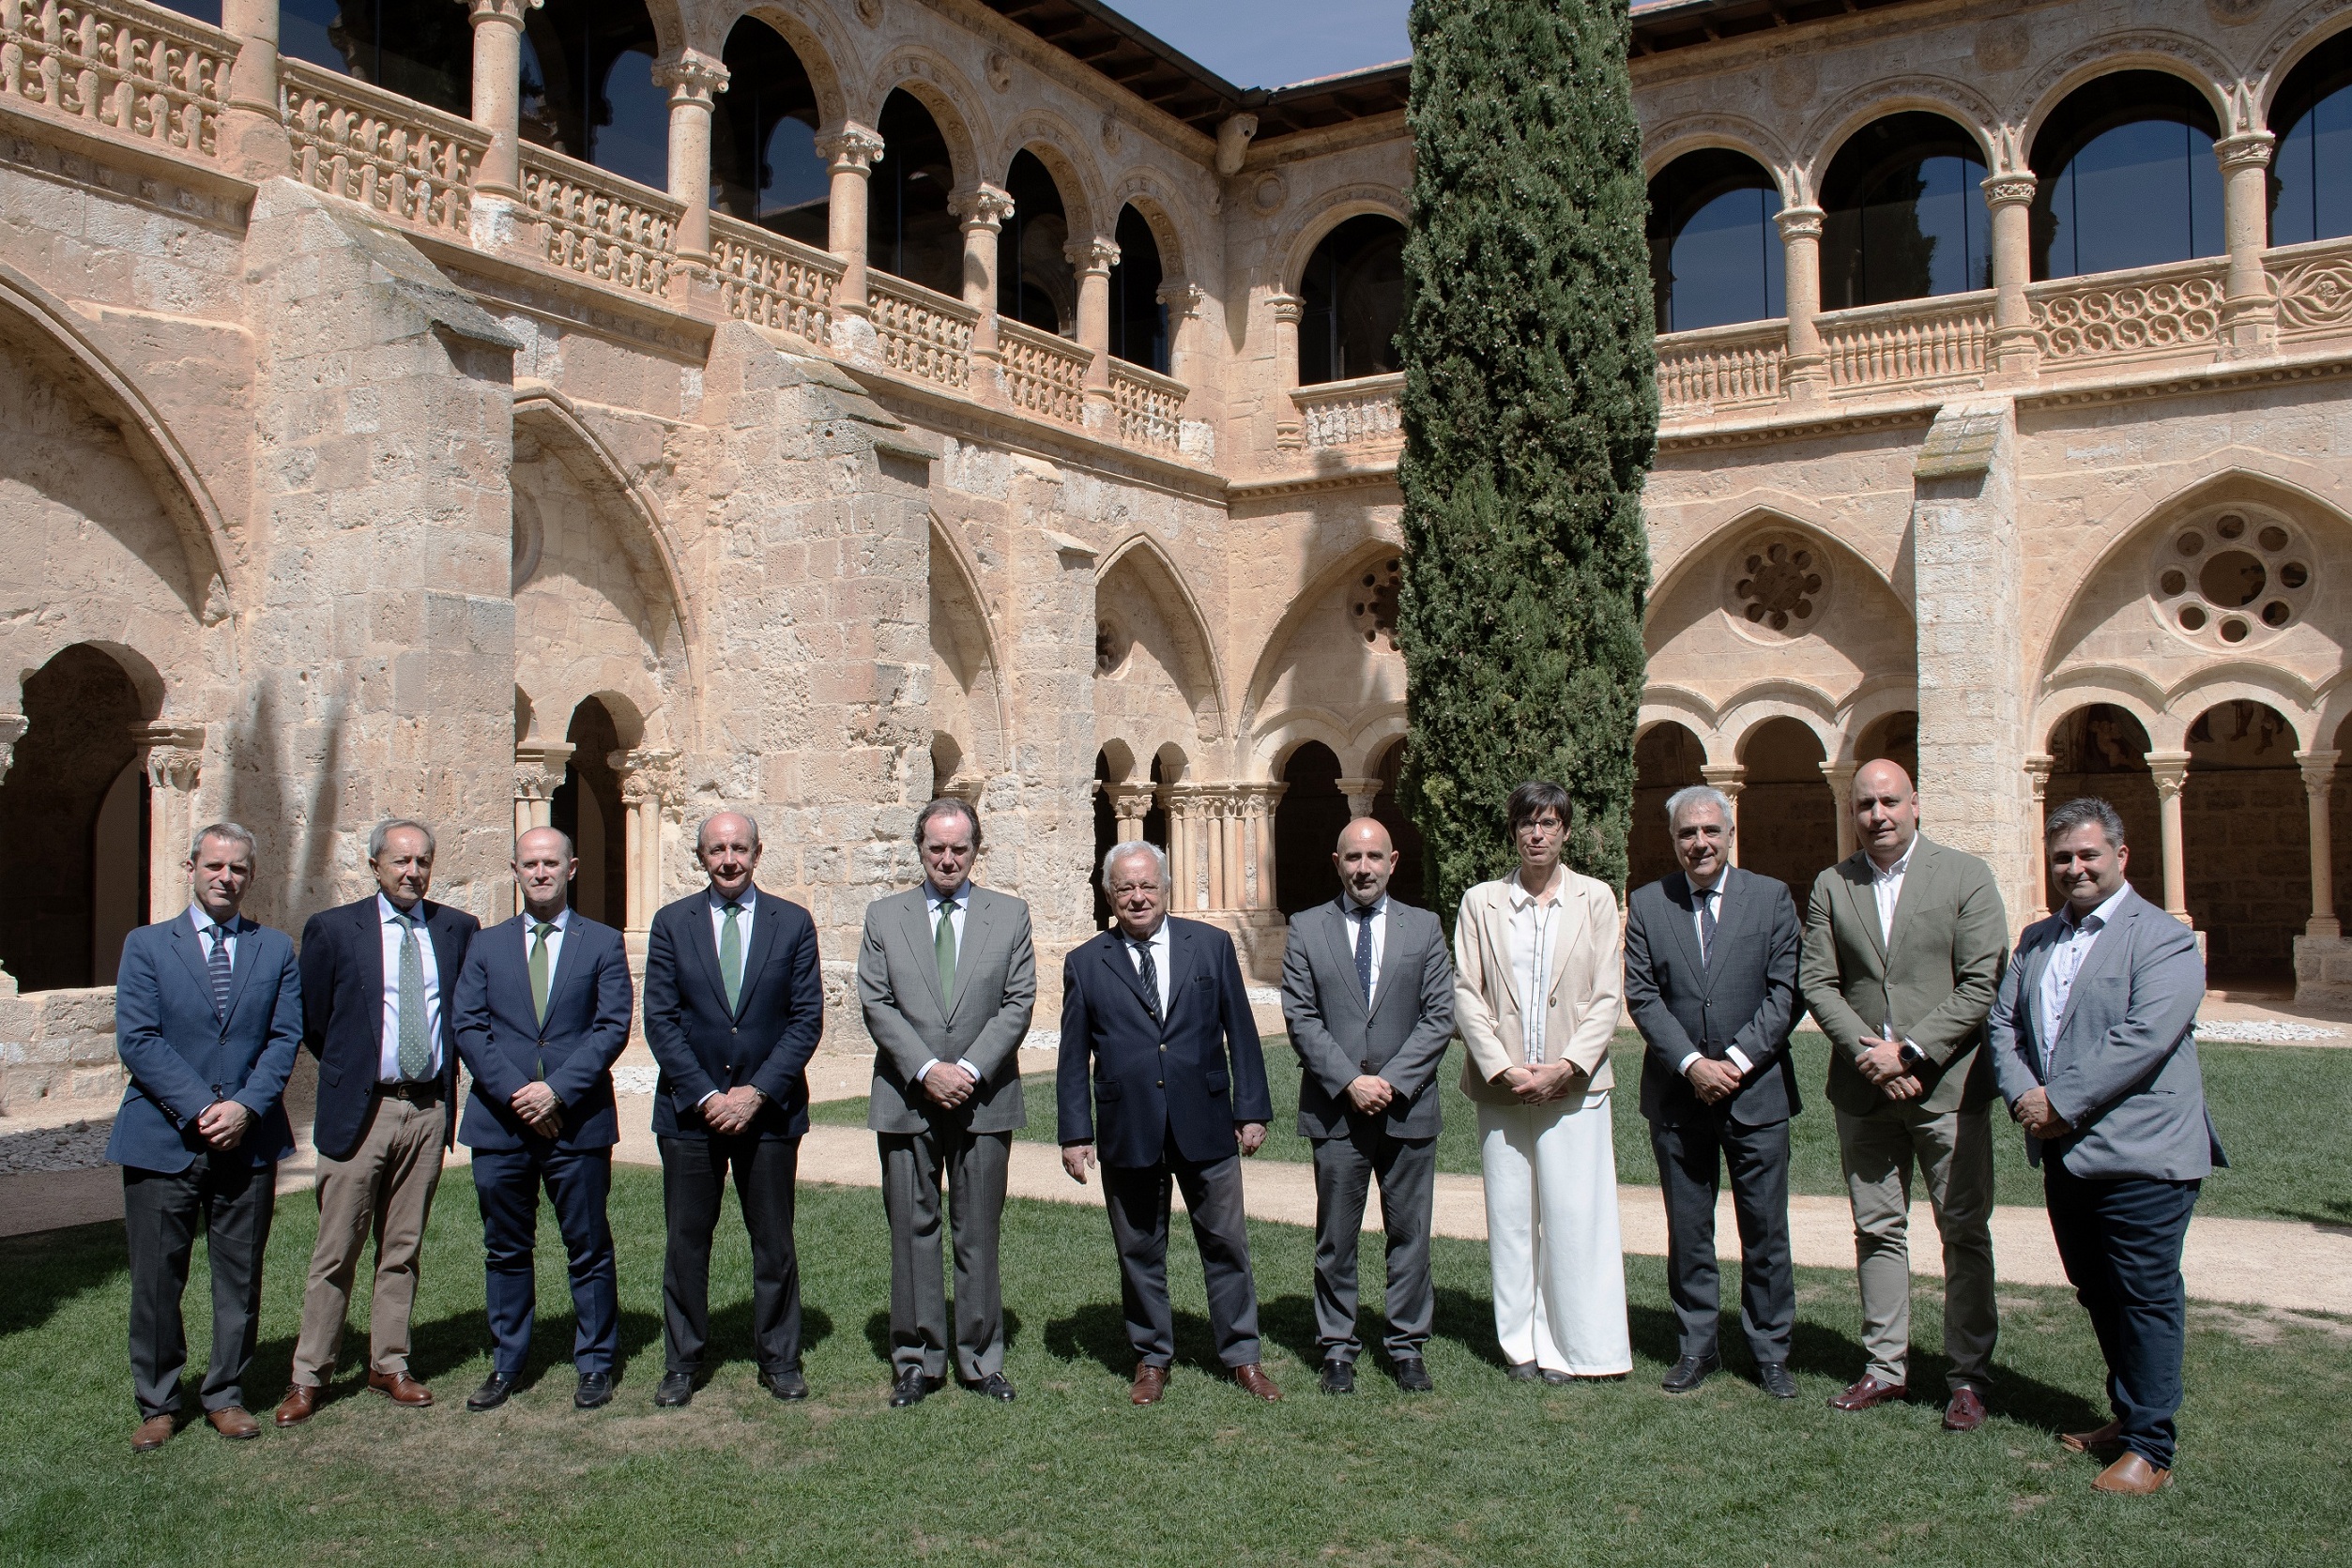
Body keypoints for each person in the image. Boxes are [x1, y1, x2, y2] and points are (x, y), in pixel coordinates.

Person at [1989, 797, 2221, 1495]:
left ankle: (2152, 1446)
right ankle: (2127, 1416)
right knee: (2097, 1288)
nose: (2075, 867)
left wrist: (2059, 1100)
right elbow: (2003, 1025)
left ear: (2122, 856)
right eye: (2062, 856)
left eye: (2089, 854)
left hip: (2143, 1153)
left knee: (2145, 1294)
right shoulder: (2035, 940)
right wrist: (2026, 1095)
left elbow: (2144, 1037)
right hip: (2065, 1151)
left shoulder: (2163, 938)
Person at [1799, 758, 2006, 1430]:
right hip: (1864, 1091)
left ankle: (1968, 1378)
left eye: (1889, 801)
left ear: (1915, 802)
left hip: (1947, 1088)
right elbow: (1819, 982)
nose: (1878, 815)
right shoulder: (1834, 883)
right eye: (1865, 804)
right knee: (1877, 1229)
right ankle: (1885, 1368)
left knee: (1963, 1231)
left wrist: (1910, 1051)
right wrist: (1872, 1055)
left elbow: (1981, 982)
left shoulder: (1965, 875)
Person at [1059, 841, 1280, 1405]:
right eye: (1125, 888)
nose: (1137, 897)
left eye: (1147, 886)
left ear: (1166, 888)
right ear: (1110, 895)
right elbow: (1071, 1055)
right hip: (1127, 1126)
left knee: (1226, 1243)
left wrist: (1251, 1108)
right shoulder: (1086, 962)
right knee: (1139, 1250)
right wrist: (1075, 1132)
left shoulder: (1209, 947)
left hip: (1205, 1121)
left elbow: (1241, 1029)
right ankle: (1152, 1356)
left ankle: (1242, 1355)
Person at [276, 820, 479, 1427]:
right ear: (374, 864)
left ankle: (389, 1362)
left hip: (427, 1108)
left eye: (422, 860)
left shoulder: (456, 929)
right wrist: (355, 1072)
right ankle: (309, 1374)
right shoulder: (335, 931)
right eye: (400, 860)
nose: (412, 870)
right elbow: (315, 1021)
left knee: (403, 1246)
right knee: (336, 1247)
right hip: (361, 1110)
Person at [108, 823, 303, 1452]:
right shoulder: (145, 945)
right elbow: (138, 1037)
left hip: (247, 1141)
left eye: (238, 868)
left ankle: (225, 1393)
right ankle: (159, 1401)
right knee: (157, 1279)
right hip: (162, 1138)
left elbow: (283, 1038)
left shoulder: (274, 949)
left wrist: (245, 1105)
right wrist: (200, 1107)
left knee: (239, 1275)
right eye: (215, 865)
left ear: (251, 875)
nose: (227, 877)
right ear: (191, 866)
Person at [639, 811, 825, 1408]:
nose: (728, 859)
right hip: (690, 1116)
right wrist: (708, 1095)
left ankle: (780, 1357)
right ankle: (683, 1361)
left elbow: (805, 1020)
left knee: (773, 1242)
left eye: (739, 848)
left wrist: (756, 1092)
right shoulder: (672, 923)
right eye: (717, 849)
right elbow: (662, 1022)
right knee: (687, 1242)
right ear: (700, 856)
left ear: (758, 852)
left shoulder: (792, 923)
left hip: (768, 1115)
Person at [1624, 785, 1803, 1398]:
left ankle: (1771, 1350)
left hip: (1756, 1095)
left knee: (1766, 1231)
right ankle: (1697, 1345)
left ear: (1729, 833)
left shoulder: (1771, 897)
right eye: (1686, 834)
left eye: (1709, 831)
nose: (1699, 843)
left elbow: (1785, 992)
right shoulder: (1649, 903)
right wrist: (1692, 1064)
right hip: (1678, 1097)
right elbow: (1643, 995)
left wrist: (1734, 1061)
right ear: (1673, 840)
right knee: (1690, 1228)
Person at [857, 798, 1036, 1406]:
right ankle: (917, 1358)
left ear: (975, 849)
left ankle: (981, 1358)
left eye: (959, 847)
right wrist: (929, 1069)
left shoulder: (1009, 916)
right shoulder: (885, 916)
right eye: (936, 847)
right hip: (908, 1095)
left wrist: (970, 1068)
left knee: (978, 1229)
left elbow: (1018, 1001)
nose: (947, 858)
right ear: (920, 849)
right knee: (911, 1229)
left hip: (985, 1097)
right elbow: (877, 1002)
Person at [1451, 781, 1632, 1382]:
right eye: (1527, 823)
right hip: (1502, 1088)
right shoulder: (1481, 902)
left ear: (1565, 832)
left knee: (1576, 1217)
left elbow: (1608, 994)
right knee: (1509, 1217)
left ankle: (1576, 1345)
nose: (1537, 834)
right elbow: (1466, 993)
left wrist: (1566, 1067)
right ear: (1513, 831)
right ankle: (1520, 1345)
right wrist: (1501, 1067)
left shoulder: (1597, 900)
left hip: (1574, 1087)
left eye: (1549, 823)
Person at [452, 826, 634, 1412]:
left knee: (587, 1246)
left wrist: (554, 1092)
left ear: (572, 868)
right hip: (500, 1123)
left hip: (576, 1121)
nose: (539, 873)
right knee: (505, 1248)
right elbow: (470, 1029)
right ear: (514, 869)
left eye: (550, 863)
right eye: (529, 863)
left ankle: (596, 1364)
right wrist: (519, 1095)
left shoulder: (602, 943)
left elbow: (611, 1027)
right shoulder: (485, 945)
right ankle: (507, 1364)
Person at [1280, 816, 1456, 1394]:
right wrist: (1350, 1082)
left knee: (1410, 1234)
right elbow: (1301, 1018)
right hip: (1337, 1110)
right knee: (1337, 1236)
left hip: (1408, 1109)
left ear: (1393, 862)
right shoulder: (1307, 928)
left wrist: (1393, 1082)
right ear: (1337, 863)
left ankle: (1407, 1346)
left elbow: (1439, 1016)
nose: (1363, 868)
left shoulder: (1425, 927)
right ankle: (1337, 1348)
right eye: (1353, 858)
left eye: (1374, 857)